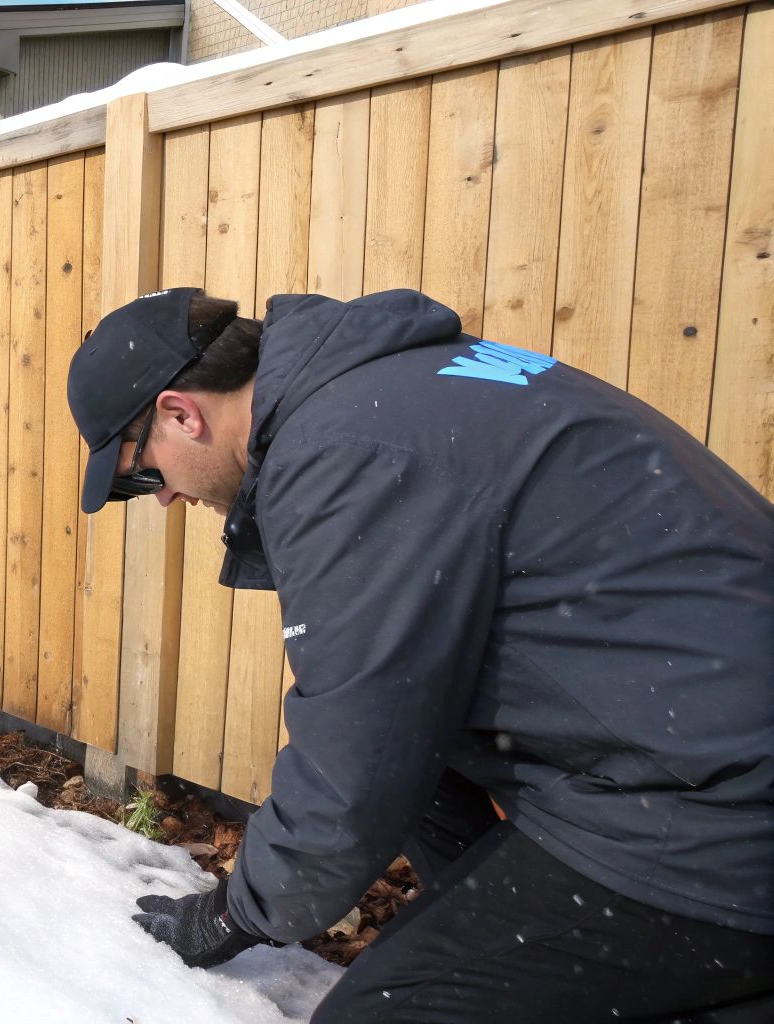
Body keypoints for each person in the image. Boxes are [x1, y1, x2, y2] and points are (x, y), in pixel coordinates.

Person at [64, 287, 774, 1021]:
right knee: (418, 758)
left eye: (143, 474)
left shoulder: (346, 453)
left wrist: (231, 916)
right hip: (691, 750)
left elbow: (354, 763)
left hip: (718, 815)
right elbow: (389, 728)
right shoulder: (398, 386)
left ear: (182, 413)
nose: (163, 500)